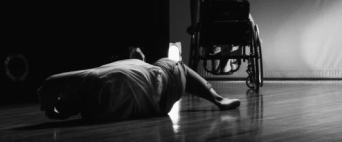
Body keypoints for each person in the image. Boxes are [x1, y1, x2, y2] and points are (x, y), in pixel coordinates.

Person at [37, 56, 240, 121]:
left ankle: (217, 98)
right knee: (175, 65)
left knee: (156, 67)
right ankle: (217, 98)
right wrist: (50, 103)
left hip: (159, 104)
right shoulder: (93, 80)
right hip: (165, 83)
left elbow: (58, 109)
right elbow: (52, 82)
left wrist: (51, 109)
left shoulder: (92, 114)